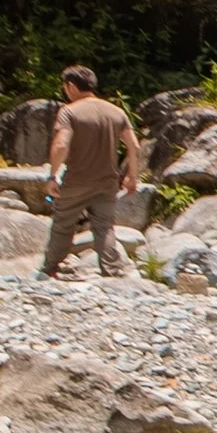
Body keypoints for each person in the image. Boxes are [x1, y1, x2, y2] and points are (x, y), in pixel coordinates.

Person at [41, 66, 141, 279]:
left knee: (63, 224)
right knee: (104, 227)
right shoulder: (116, 112)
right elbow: (134, 146)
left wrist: (52, 175)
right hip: (107, 182)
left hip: (77, 180)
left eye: (65, 87)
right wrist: (133, 176)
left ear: (71, 86)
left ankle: (50, 268)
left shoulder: (69, 112)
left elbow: (61, 145)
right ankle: (112, 272)